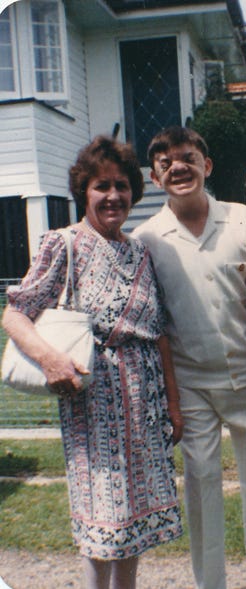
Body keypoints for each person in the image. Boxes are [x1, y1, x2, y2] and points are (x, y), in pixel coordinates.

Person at [2, 136, 183, 589]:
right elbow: (15, 311)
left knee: (133, 526)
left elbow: (158, 334)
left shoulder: (140, 252)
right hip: (92, 403)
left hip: (145, 404)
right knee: (102, 519)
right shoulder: (62, 244)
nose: (114, 196)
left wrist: (174, 410)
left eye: (122, 186)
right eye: (102, 185)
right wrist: (49, 360)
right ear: (84, 190)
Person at [133, 126, 246, 589]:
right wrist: (170, 398)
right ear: (154, 177)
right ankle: (210, 582)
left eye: (188, 157)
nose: (178, 167)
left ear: (207, 166)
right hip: (190, 384)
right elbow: (156, 326)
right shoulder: (146, 239)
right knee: (201, 484)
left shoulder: (243, 219)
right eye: (166, 163)